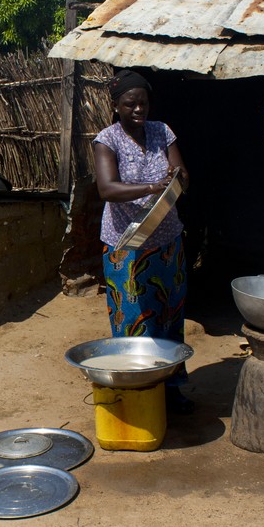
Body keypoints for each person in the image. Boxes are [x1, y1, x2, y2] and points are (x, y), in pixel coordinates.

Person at [92, 69, 194, 414]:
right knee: (134, 318)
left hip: (167, 242)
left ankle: (172, 389)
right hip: (127, 247)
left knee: (169, 315)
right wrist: (153, 187)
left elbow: (183, 178)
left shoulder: (162, 131)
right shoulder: (107, 139)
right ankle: (140, 393)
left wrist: (175, 176)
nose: (138, 110)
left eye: (143, 103)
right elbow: (107, 189)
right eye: (130, 104)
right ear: (116, 105)